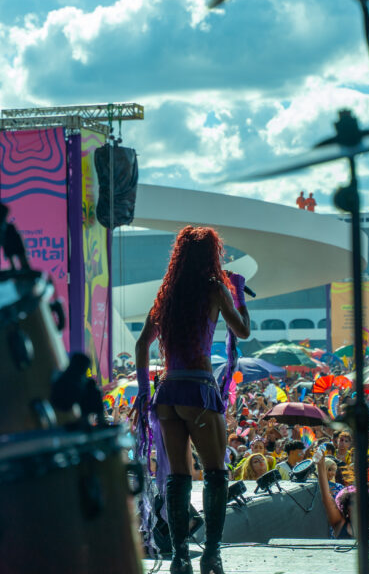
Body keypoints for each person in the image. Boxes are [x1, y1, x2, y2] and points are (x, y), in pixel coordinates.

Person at [133, 225, 250, 574]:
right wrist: (239, 291)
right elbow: (242, 330)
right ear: (212, 255)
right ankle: (211, 554)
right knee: (216, 473)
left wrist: (143, 392)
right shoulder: (215, 289)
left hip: (167, 393)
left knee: (178, 476)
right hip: (198, 390)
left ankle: (179, 556)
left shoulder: (166, 294)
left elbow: (142, 345)